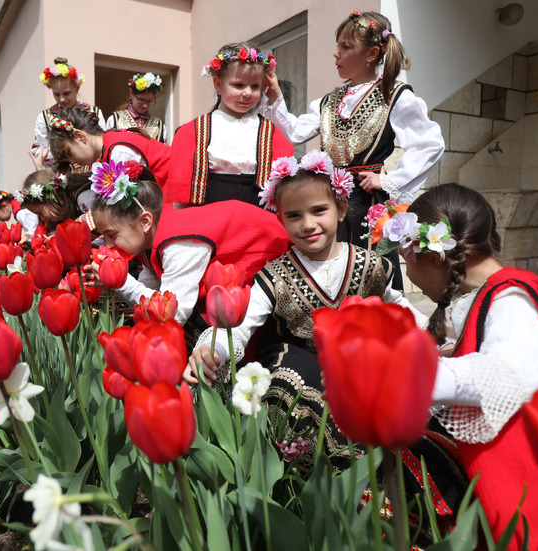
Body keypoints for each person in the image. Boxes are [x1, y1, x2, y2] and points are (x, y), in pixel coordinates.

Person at [182, 153, 466, 541]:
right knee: (292, 384)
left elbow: (399, 308)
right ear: (279, 219)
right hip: (301, 358)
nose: (307, 224)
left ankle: (402, 509)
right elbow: (242, 324)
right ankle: (321, 496)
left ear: (341, 207)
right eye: (293, 216)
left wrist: (432, 344)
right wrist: (211, 349)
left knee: (398, 401)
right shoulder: (274, 275)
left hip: (360, 362)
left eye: (319, 210)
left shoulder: (370, 264)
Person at [375, 183, 538, 550]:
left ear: (432, 255)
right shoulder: (493, 293)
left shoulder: (512, 296)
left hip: (529, 487)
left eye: (405, 260)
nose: (409, 276)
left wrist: (397, 374)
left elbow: (508, 372)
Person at [261, 10, 443, 290]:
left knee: (370, 272)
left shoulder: (394, 96)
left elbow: (429, 143)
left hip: (367, 203)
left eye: (345, 47)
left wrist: (388, 179)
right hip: (329, 200)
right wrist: (275, 96)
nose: (336, 54)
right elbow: (297, 132)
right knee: (328, 270)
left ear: (371, 54)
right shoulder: (330, 101)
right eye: (338, 46)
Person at [83, 159, 290, 347]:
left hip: (276, 266)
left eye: (111, 235)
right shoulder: (148, 235)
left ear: (145, 221)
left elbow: (173, 314)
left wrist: (121, 282)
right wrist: (112, 281)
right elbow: (152, 288)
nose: (108, 245)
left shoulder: (178, 242)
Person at [164, 43, 293, 208]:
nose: (247, 93)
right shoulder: (194, 131)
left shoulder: (268, 130)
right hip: (209, 209)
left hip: (256, 210)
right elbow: (181, 195)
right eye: (239, 85)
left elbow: (284, 165)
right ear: (218, 85)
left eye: (255, 86)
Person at [47, 107, 172, 187]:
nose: (73, 161)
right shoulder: (108, 146)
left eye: (69, 153)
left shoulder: (119, 151)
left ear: (80, 136)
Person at [30, 57, 106, 171]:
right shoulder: (45, 117)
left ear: (77, 88)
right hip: (61, 174)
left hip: (92, 172)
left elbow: (103, 142)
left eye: (66, 93)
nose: (62, 99)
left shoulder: (94, 112)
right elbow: (40, 151)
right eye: (56, 94)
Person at [103, 73, 168, 143]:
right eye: (141, 100)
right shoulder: (115, 119)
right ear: (131, 93)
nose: (145, 105)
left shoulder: (159, 125)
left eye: (149, 101)